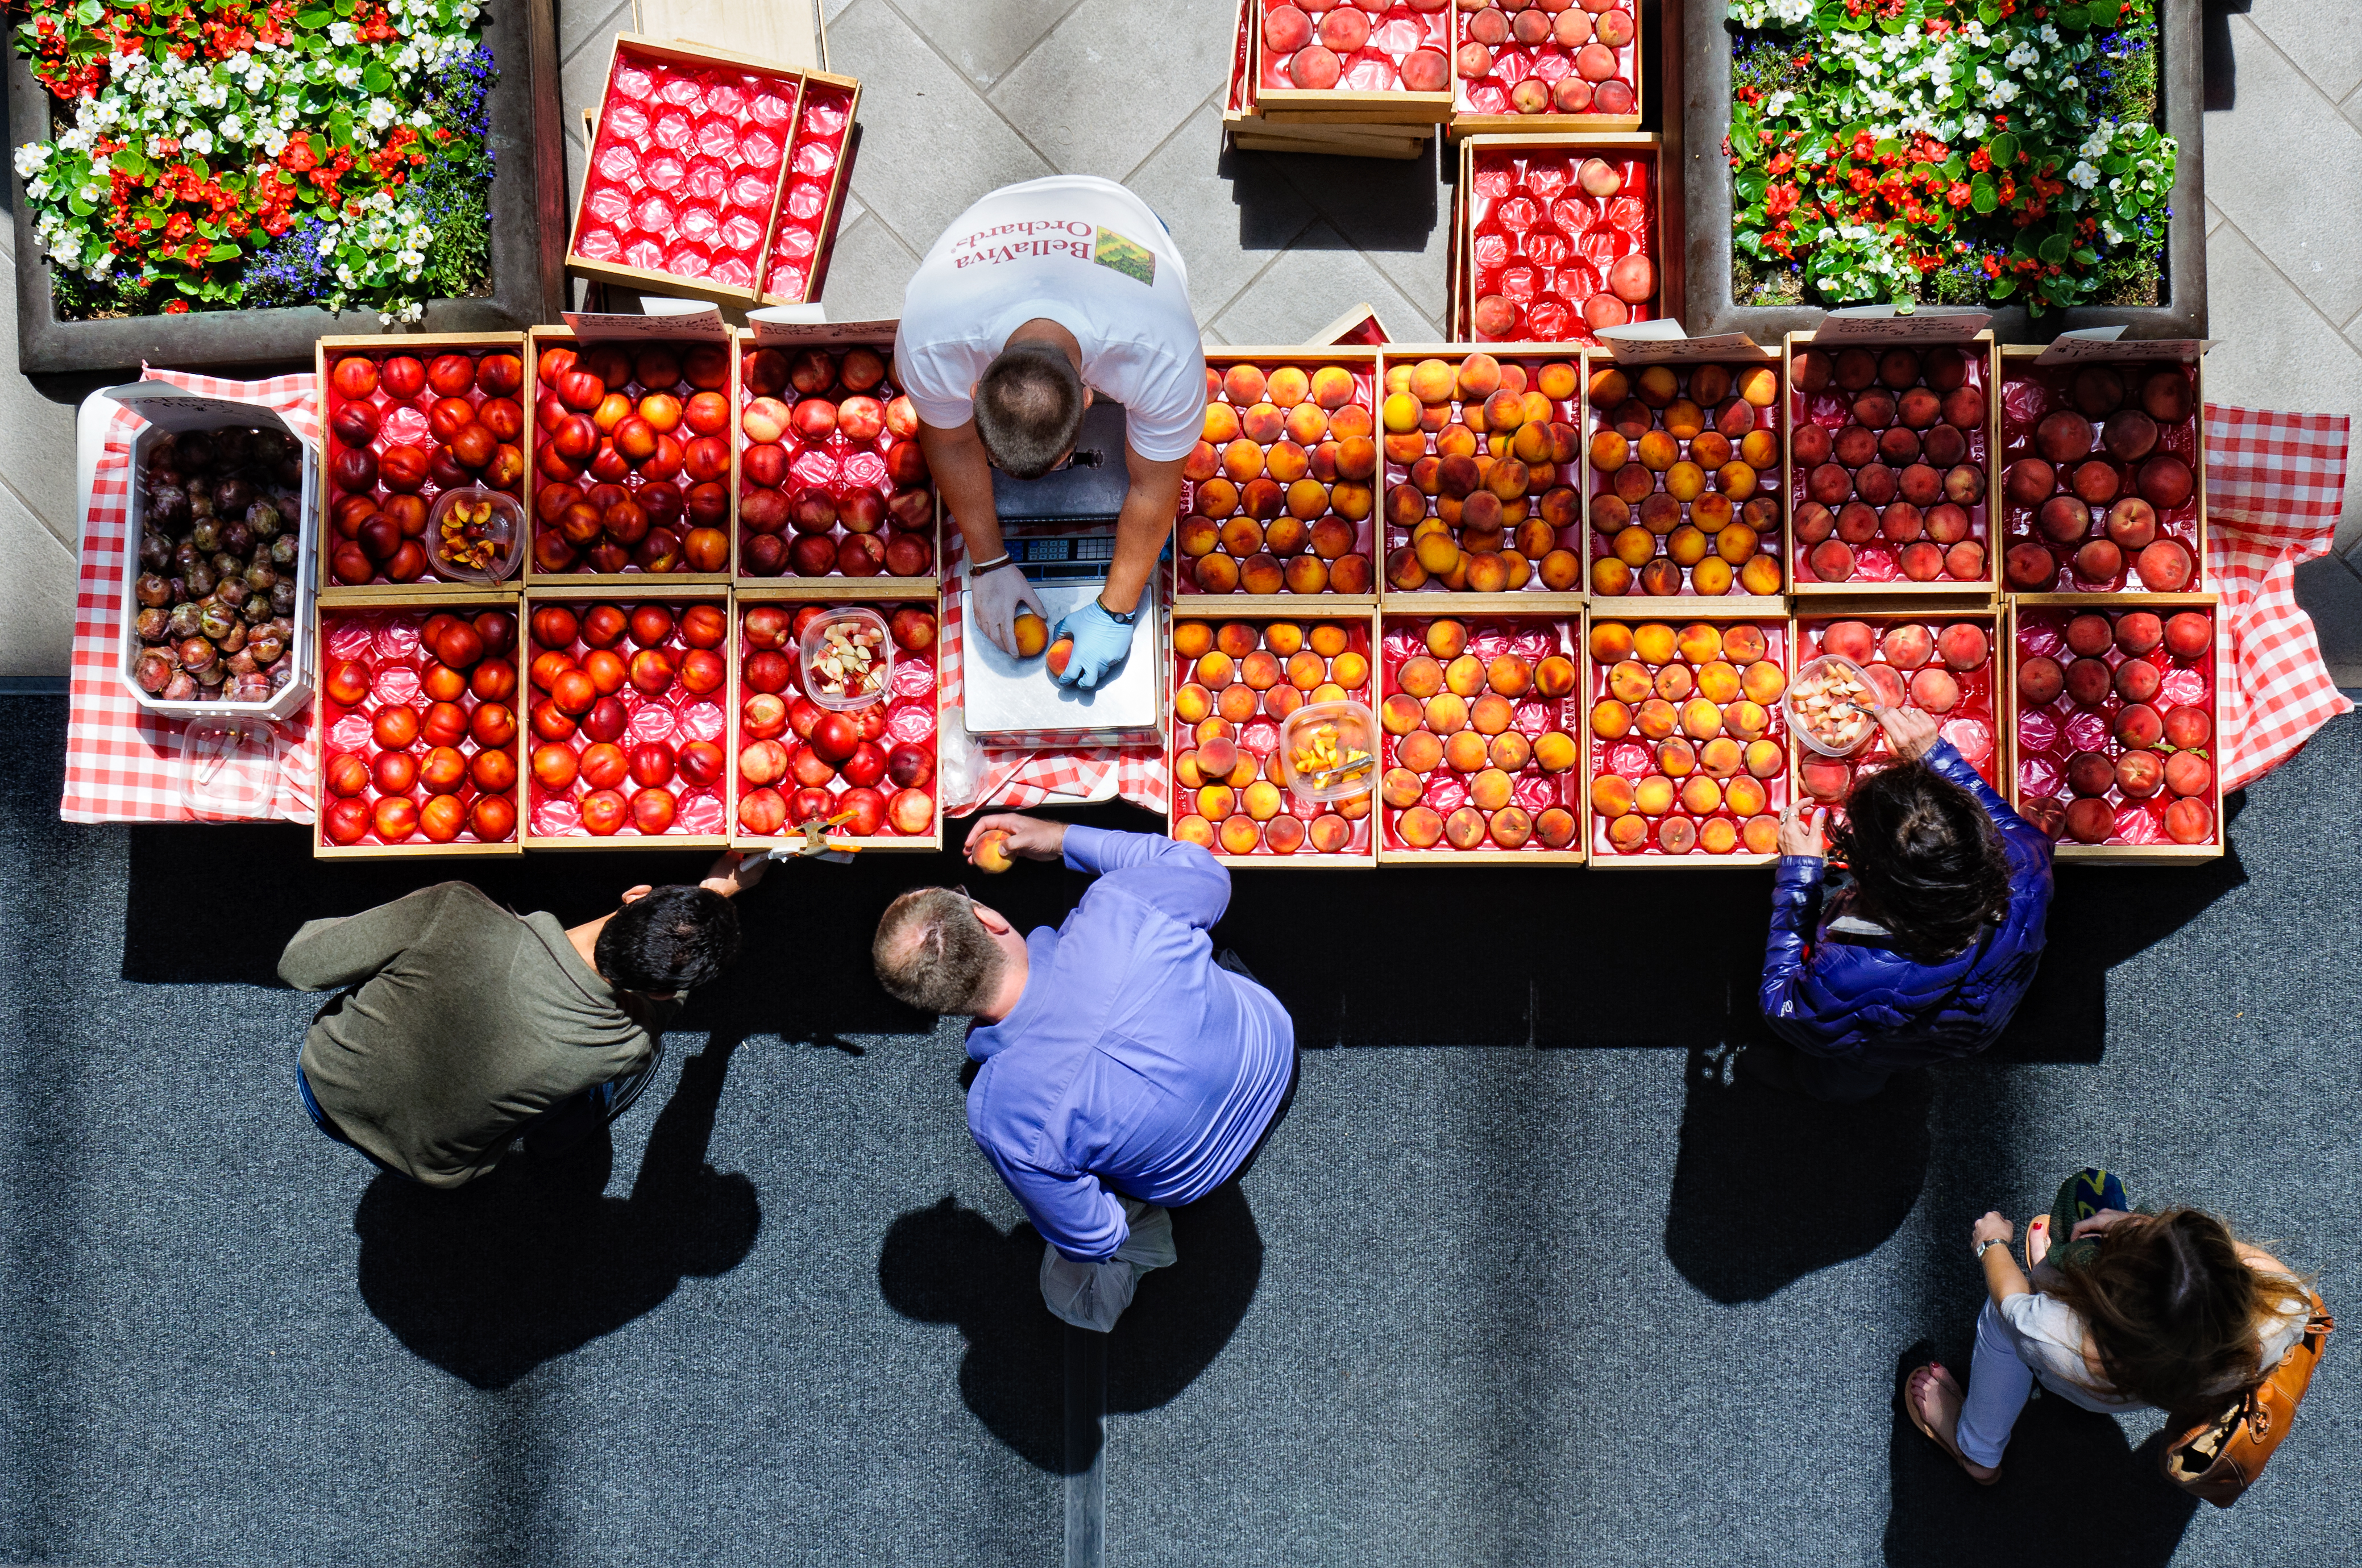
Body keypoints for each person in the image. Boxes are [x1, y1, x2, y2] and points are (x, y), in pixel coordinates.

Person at [870, 816, 1296, 1331]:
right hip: (1272, 1046)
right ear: (989, 919)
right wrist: (1062, 837)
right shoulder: (1118, 905)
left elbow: (1095, 1238)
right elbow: (1204, 872)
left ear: (936, 1006)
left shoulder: (999, 1120)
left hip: (1198, 1181)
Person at [279, 851, 766, 1186]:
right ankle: (554, 1146)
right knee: (603, 1082)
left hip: (322, 1081)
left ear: (635, 896)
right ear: (663, 991)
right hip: (425, 1164)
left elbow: (298, 965)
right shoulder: (626, 1044)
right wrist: (715, 895)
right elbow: (655, 1010)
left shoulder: (454, 910)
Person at [893, 176, 1207, 689]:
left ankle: (1154, 236)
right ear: (972, 391)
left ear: (1090, 397)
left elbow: (1156, 485)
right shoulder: (930, 343)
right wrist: (987, 561)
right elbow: (947, 440)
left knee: (1154, 260)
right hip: (982, 230)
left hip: (1114, 228)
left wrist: (1117, 610)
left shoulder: (1164, 355)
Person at [1906, 1171, 2315, 1483]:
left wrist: (1991, 1244)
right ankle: (2059, 1274)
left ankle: (1979, 1451)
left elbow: (2012, 1306)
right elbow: (2226, 1265)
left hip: (2080, 1376)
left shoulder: (2052, 1333)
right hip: (2173, 1385)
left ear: (2108, 1298)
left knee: (2002, 1324)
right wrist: (2142, 1231)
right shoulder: (2283, 1310)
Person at [1742, 708, 2052, 1101]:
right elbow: (2007, 826)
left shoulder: (1853, 972)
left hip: (1884, 1038)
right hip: (1980, 1016)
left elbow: (1782, 1006)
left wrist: (1799, 879)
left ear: (1873, 878)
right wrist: (1936, 756)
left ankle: (1818, 1084)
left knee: (1849, 1069)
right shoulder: (2025, 860)